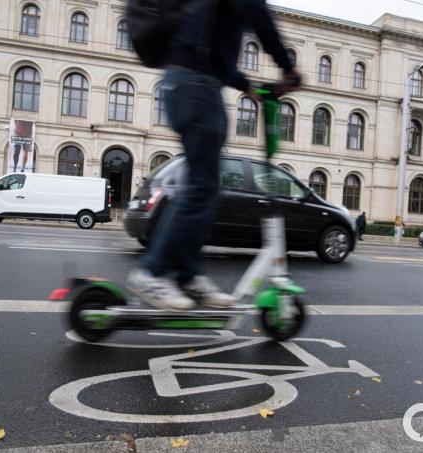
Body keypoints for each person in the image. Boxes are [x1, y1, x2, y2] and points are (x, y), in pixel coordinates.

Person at [128, 0, 301, 311]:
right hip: (196, 87)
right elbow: (258, 15)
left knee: (204, 187)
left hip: (197, 83)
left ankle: (187, 275)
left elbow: (214, 50)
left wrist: (247, 86)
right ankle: (152, 273)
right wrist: (288, 68)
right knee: (201, 186)